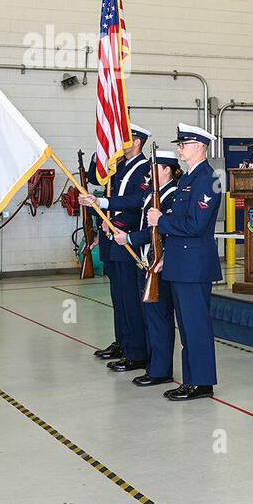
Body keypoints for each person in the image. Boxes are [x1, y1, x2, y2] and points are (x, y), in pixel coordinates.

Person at [145, 124, 222, 402]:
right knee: (187, 327)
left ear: (201, 147)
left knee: (196, 326)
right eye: (179, 144)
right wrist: (166, 256)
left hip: (194, 266)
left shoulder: (208, 179)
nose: (179, 148)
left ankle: (201, 383)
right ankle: (193, 380)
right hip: (181, 263)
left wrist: (161, 221)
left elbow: (195, 225)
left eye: (184, 143)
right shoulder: (189, 179)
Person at [81, 124, 152, 372]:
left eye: (126, 138)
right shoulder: (118, 166)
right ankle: (123, 342)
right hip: (111, 238)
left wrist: (102, 201)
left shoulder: (145, 169)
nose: (120, 143)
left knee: (130, 297)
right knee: (118, 296)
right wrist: (98, 155)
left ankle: (136, 351)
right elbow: (94, 178)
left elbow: (136, 201)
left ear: (138, 142)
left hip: (127, 238)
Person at [112, 150, 182, 388]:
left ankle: (161, 370)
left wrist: (130, 239)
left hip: (160, 264)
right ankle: (154, 366)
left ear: (167, 170)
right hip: (147, 261)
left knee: (159, 318)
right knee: (150, 317)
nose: (149, 173)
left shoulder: (172, 195)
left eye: (155, 168)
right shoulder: (155, 195)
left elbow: (162, 230)